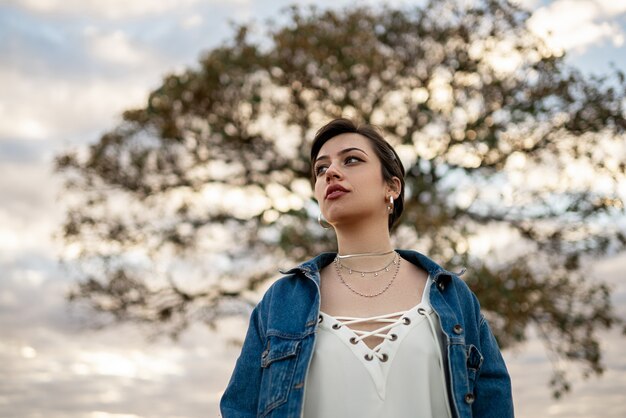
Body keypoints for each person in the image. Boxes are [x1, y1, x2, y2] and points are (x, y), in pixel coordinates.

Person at [220, 118, 514, 418]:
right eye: (321, 169)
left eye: (351, 160)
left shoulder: (452, 298)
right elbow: (239, 410)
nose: (331, 172)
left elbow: (494, 404)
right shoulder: (281, 302)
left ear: (392, 187)